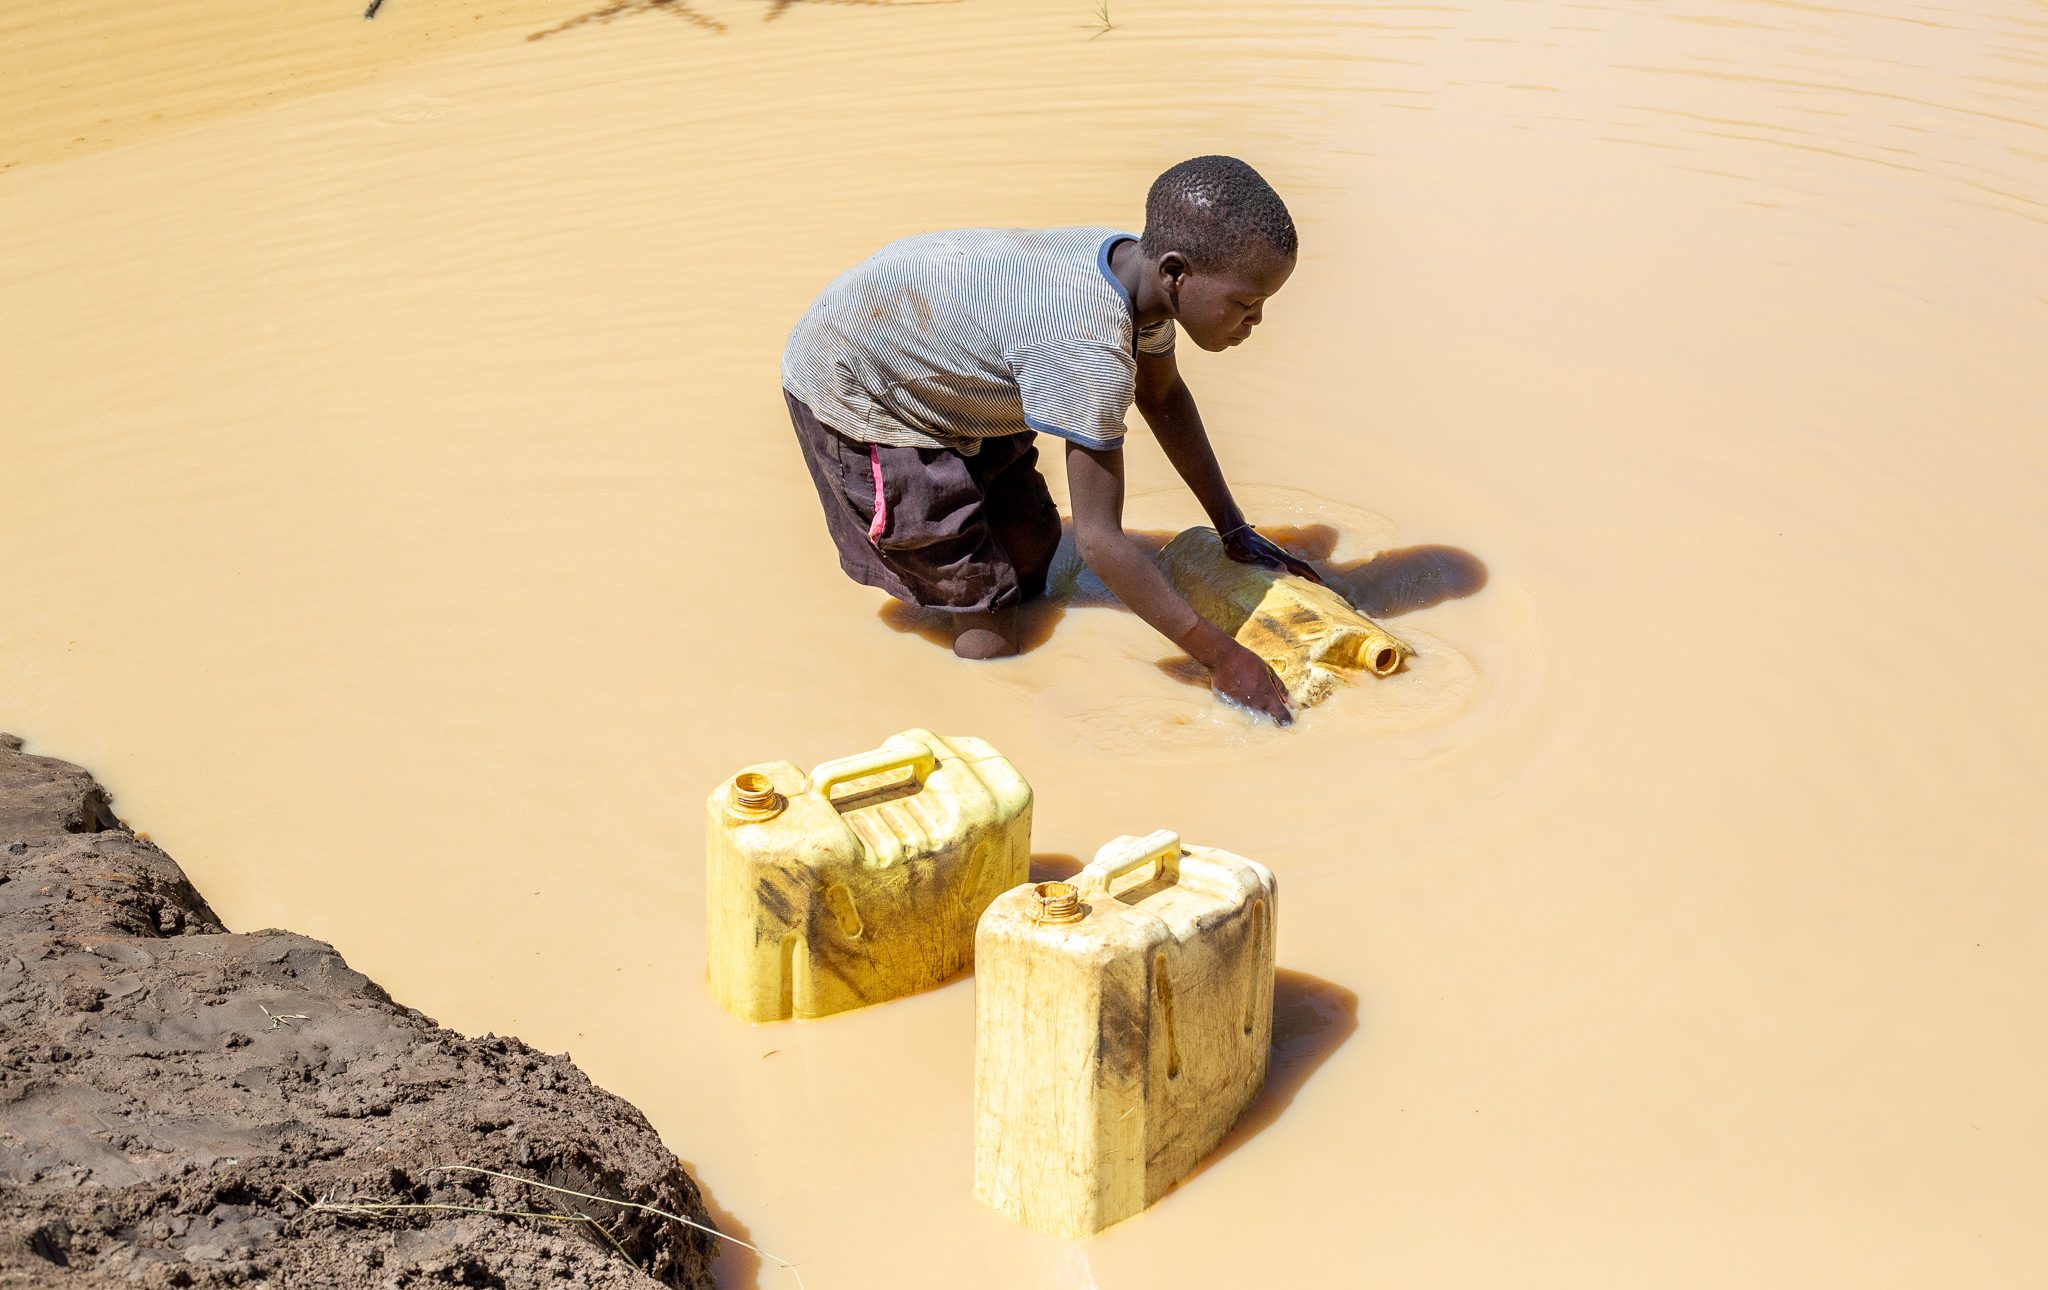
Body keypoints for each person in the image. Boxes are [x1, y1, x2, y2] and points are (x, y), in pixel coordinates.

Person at [780, 155, 1320, 724]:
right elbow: (1100, 542)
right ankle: (978, 718)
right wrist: (1222, 657)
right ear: (1175, 274)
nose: (1256, 320)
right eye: (1245, 303)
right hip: (860, 384)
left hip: (953, 368)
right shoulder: (1089, 344)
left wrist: (1233, 529)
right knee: (987, 613)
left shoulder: (1138, 275)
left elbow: (1162, 396)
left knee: (1031, 554)